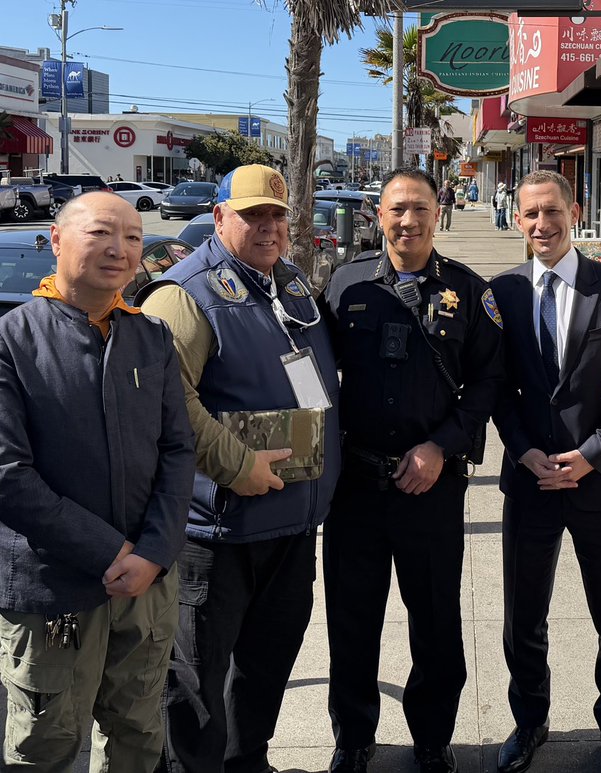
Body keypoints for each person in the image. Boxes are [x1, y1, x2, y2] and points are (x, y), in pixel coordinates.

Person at [138, 163, 340, 773]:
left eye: (278, 215)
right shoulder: (184, 293)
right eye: (253, 215)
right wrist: (237, 466)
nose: (269, 226)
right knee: (196, 681)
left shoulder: (289, 282)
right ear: (219, 217)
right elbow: (170, 400)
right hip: (217, 532)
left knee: (267, 661)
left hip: (291, 522)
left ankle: (248, 761)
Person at [0, 192, 194, 772]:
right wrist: (111, 552)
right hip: (54, 590)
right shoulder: (13, 339)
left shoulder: (151, 336)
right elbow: (8, 474)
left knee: (138, 735)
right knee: (45, 747)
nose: (120, 249)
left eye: (133, 237)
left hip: (146, 588)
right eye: (101, 233)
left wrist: (154, 552)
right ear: (57, 241)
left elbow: (177, 450)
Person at [320, 168, 505, 773]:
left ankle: (432, 737)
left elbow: (487, 382)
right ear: (379, 215)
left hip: (431, 489)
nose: (408, 221)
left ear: (437, 213)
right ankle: (353, 738)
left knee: (436, 621)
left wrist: (441, 447)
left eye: (420, 208)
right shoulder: (344, 283)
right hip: (356, 488)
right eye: (397, 209)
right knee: (352, 620)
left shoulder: (469, 291)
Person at [489, 170, 601, 773]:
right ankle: (530, 720)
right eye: (530, 214)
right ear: (517, 220)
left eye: (552, 211)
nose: (541, 224)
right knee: (523, 616)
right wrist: (522, 450)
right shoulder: (502, 293)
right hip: (531, 480)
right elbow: (495, 386)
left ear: (574, 213)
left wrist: (594, 453)